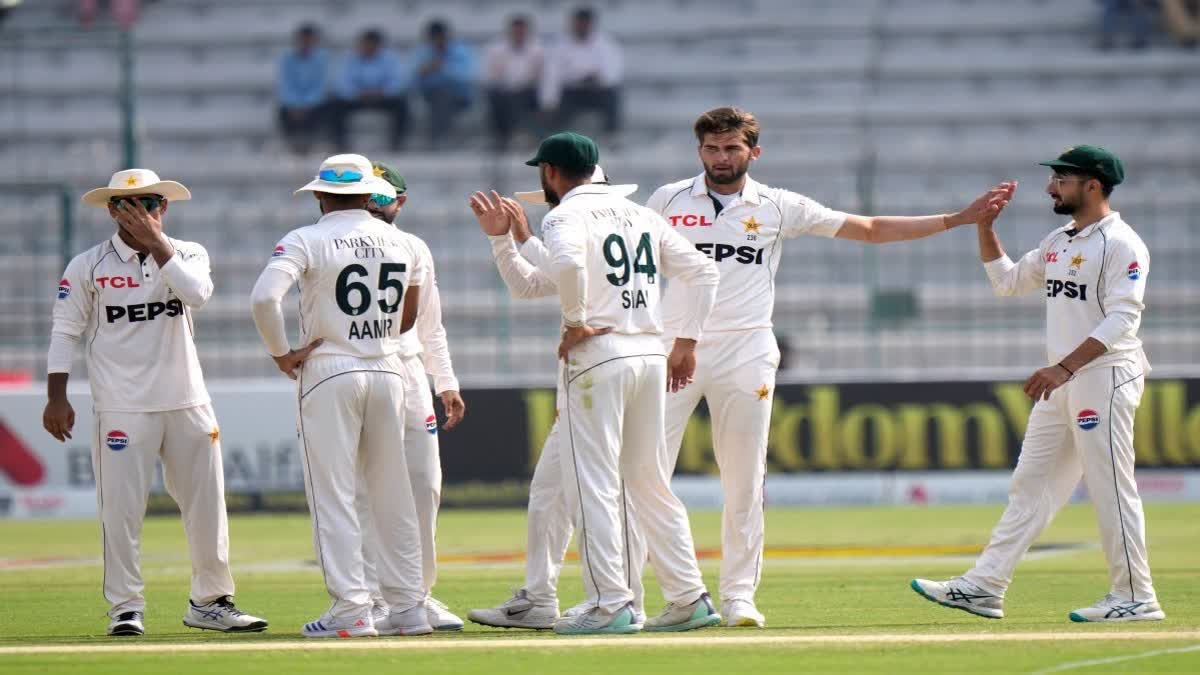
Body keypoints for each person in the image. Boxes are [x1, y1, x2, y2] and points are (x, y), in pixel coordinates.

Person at [495, 107, 1012, 628]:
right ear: (699, 151)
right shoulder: (665, 200)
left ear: (753, 152)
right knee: (642, 477)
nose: (722, 159)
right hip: (666, 350)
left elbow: (871, 228)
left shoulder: (777, 205)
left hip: (744, 351)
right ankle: (627, 596)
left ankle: (738, 596)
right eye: (712, 149)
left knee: (743, 479)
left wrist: (956, 219)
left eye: (732, 149)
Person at [473, 132, 723, 635]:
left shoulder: (564, 215)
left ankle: (613, 603)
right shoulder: (642, 216)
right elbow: (703, 272)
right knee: (642, 482)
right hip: (647, 354)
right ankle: (688, 597)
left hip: (597, 356)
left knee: (593, 485)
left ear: (550, 173)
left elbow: (566, 266)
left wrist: (575, 322)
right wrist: (686, 342)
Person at [912, 145, 1165, 623]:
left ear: (1093, 185)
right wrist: (985, 227)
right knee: (1032, 485)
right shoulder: (1062, 239)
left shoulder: (1122, 244)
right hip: (1065, 380)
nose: (1051, 187)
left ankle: (1136, 595)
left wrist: (1063, 368)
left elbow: (1123, 321)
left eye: (1062, 179)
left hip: (1104, 376)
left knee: (1110, 486)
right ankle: (984, 586)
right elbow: (1007, 282)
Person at [43, 169, 268, 637]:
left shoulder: (188, 252)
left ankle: (210, 602)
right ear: (112, 210)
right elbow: (66, 330)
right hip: (121, 405)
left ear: (164, 207)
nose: (141, 213)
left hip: (187, 400)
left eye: (150, 203)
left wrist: (158, 244)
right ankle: (126, 607)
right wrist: (56, 396)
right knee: (121, 512)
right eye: (128, 205)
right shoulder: (87, 265)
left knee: (207, 507)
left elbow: (197, 294)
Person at [250, 154, 430, 638]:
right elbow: (409, 318)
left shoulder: (306, 238)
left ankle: (352, 609)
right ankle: (410, 608)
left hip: (330, 367)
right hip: (389, 368)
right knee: (393, 494)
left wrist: (281, 353)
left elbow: (265, 298)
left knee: (334, 495)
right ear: (370, 193)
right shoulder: (405, 241)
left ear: (319, 194)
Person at [466, 167, 641, 631]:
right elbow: (528, 284)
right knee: (549, 493)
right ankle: (540, 598)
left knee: (611, 492)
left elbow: (561, 270)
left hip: (607, 374)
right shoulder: (576, 242)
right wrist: (504, 240)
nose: (556, 213)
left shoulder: (596, 243)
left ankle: (623, 600)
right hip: (587, 383)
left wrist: (521, 237)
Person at [356, 161, 466, 631]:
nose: (377, 204)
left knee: (424, 485)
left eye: (386, 197)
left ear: (401, 202)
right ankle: (374, 599)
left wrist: (446, 383)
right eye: (369, 195)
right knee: (366, 492)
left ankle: (417, 594)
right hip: (358, 370)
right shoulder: (330, 242)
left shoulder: (414, 247)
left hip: (408, 372)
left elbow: (430, 325)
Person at [540, 7, 622, 136]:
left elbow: (613, 71)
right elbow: (552, 74)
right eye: (579, 23)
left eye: (585, 23)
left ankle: (612, 135)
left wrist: (598, 77)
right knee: (555, 106)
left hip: (596, 89)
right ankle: (555, 138)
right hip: (571, 90)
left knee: (612, 95)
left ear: (591, 24)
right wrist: (548, 101)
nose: (582, 26)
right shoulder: (560, 44)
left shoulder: (605, 44)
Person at [328, 30, 410, 151]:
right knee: (335, 106)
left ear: (379, 46)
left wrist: (383, 92)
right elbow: (341, 83)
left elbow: (399, 82)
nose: (368, 48)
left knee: (402, 105)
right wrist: (357, 93)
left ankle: (397, 142)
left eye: (372, 45)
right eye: (366, 44)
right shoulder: (349, 59)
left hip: (382, 98)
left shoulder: (390, 59)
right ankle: (340, 143)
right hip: (358, 98)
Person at [409, 19, 476, 148]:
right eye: (434, 39)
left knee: (443, 95)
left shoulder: (461, 51)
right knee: (439, 95)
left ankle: (439, 137)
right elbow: (410, 81)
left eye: (441, 38)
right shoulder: (422, 52)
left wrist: (442, 68)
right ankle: (442, 138)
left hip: (459, 95)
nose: (438, 42)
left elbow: (467, 77)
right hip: (430, 95)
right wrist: (422, 72)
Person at [483, 15, 544, 151]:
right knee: (499, 97)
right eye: (516, 32)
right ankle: (503, 137)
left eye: (522, 32)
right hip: (504, 91)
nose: (519, 35)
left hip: (529, 92)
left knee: (519, 98)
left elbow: (538, 76)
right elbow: (491, 77)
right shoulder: (496, 50)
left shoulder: (537, 50)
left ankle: (516, 136)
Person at [277, 24, 330, 155]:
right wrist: (295, 104)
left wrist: (306, 105)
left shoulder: (322, 59)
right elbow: (285, 84)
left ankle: (312, 144)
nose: (305, 43)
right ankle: (291, 145)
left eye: (309, 40)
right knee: (283, 111)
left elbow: (322, 85)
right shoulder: (287, 59)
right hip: (293, 104)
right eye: (303, 40)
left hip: (314, 103)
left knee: (324, 109)